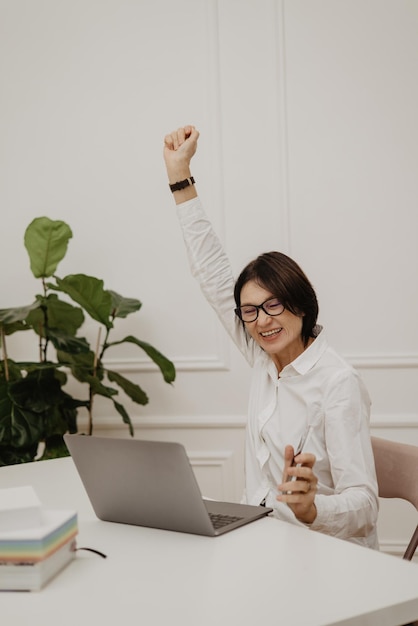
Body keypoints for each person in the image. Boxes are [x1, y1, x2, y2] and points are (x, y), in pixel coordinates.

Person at [163, 125, 379, 548]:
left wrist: (312, 508)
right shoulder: (265, 356)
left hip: (322, 554)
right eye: (250, 311)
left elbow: (366, 505)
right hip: (260, 540)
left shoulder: (338, 384)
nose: (262, 321)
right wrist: (179, 176)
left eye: (274, 305)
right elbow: (211, 271)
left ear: (300, 304)